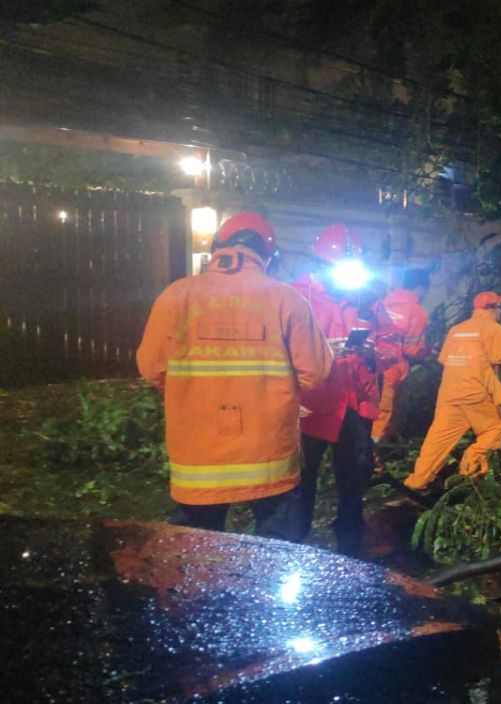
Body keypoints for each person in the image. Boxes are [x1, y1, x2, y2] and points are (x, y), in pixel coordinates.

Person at [136, 211, 332, 539]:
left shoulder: (176, 296)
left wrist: (189, 393)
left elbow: (151, 368)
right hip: (269, 456)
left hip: (198, 457)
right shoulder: (287, 300)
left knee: (195, 557)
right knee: (277, 557)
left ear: (217, 250)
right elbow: (316, 372)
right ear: (269, 258)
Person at [292, 222, 387, 556]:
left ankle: (349, 536)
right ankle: (295, 541)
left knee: (355, 473)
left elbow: (390, 340)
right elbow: (278, 352)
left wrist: (376, 351)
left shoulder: (365, 298)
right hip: (312, 404)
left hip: (355, 403)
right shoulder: (294, 297)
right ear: (321, 266)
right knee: (302, 477)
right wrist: (324, 350)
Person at [404, 291, 501, 491]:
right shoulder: (494, 328)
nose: (500, 310)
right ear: (492, 309)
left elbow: (444, 358)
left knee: (438, 440)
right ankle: (470, 474)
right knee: (494, 428)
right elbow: (500, 356)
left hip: (450, 393)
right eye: (498, 306)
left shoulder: (457, 329)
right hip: (476, 392)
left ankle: (416, 482)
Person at [372, 267, 431, 443]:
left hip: (370, 364)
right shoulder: (417, 312)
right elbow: (411, 349)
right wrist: (428, 351)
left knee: (370, 411)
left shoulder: (383, 302)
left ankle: (368, 456)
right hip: (392, 368)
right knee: (385, 414)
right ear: (421, 287)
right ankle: (372, 460)